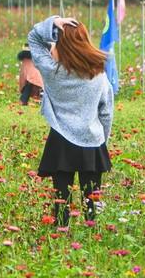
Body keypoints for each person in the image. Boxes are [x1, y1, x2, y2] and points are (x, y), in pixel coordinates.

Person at [28, 16, 113, 226]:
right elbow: (106, 113)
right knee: (91, 201)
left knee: (61, 199)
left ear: (61, 46)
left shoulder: (52, 71)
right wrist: (104, 139)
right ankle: (92, 234)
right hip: (92, 142)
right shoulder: (98, 75)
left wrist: (55, 21)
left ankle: (61, 232)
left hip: (61, 140)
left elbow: (34, 37)